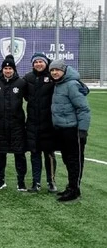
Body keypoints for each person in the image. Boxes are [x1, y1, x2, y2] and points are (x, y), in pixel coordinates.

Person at [50, 59, 91, 202]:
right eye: (52, 70)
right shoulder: (58, 84)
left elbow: (83, 108)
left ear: (64, 71)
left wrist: (83, 130)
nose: (55, 72)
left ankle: (75, 190)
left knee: (75, 160)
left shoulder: (72, 84)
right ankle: (71, 186)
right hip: (61, 130)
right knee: (67, 159)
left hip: (73, 130)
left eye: (57, 70)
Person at [0, 55, 28, 191]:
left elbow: (30, 98)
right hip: (0, 125)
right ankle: (1, 180)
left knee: (20, 153)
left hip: (17, 125)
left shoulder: (21, 83)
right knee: (0, 153)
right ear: (2, 69)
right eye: (5, 68)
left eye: (10, 68)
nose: (7, 71)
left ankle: (21, 181)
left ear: (14, 69)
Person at [23, 52, 58, 193]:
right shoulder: (28, 78)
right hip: (32, 122)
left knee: (49, 154)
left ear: (46, 63)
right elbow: (25, 95)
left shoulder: (52, 77)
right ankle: (36, 182)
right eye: (35, 62)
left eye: (40, 61)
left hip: (48, 123)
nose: (38, 64)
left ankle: (51, 181)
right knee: (35, 152)